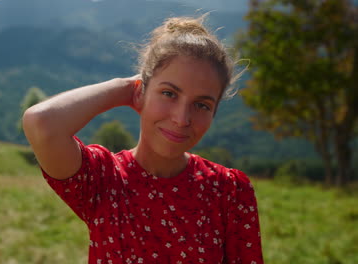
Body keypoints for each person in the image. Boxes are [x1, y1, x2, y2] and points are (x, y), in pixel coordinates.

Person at [23, 15, 263, 264]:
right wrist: (126, 87)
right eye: (169, 93)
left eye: (201, 105)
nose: (182, 119)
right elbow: (42, 123)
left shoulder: (229, 191)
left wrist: (152, 88)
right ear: (140, 93)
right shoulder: (103, 179)